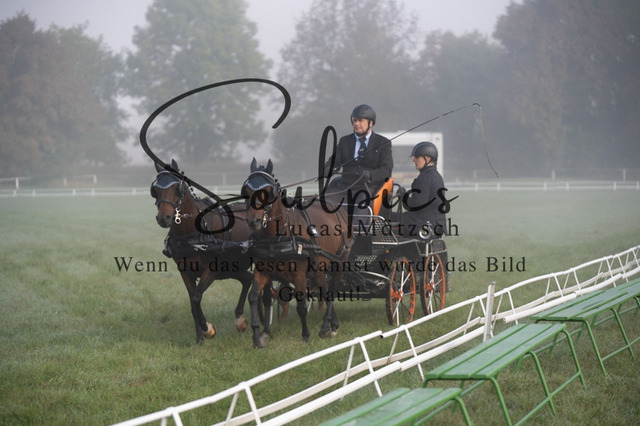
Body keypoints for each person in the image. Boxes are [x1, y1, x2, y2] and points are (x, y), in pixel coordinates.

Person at [324, 104, 393, 204]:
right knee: (323, 204)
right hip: (344, 187)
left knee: (359, 209)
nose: (356, 123)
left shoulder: (383, 143)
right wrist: (328, 169)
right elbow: (334, 162)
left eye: (360, 121)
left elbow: (386, 170)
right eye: (355, 120)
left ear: (370, 123)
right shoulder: (344, 141)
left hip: (368, 188)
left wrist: (370, 174)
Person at [397, 141, 447, 239]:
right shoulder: (436, 175)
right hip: (435, 223)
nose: (414, 160)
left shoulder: (425, 177)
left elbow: (415, 205)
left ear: (427, 158)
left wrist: (403, 196)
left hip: (423, 223)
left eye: (417, 157)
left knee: (387, 219)